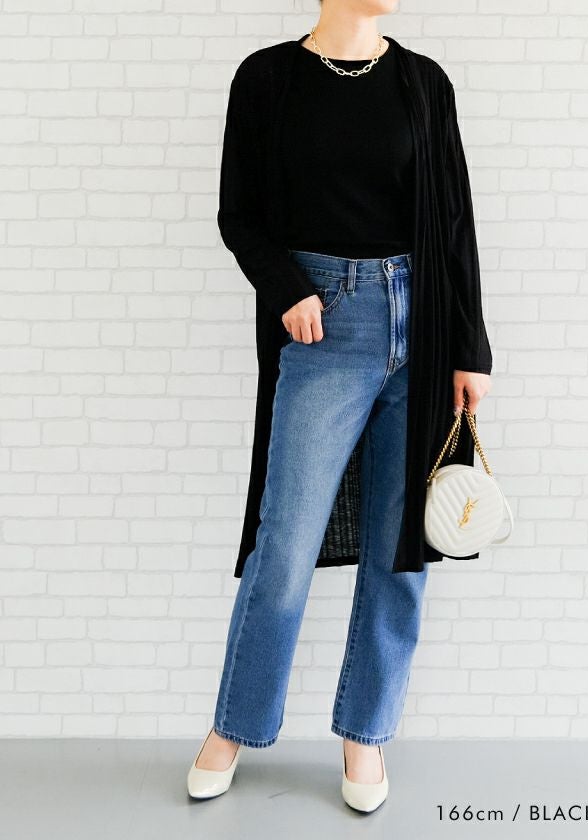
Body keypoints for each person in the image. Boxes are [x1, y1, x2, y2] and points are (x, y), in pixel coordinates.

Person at [187, 0, 492, 814]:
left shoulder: (424, 83)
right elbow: (238, 214)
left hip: (421, 326)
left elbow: (454, 222)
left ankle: (366, 732)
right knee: (284, 545)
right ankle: (233, 726)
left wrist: (470, 348)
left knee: (400, 551)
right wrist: (288, 290)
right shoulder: (268, 78)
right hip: (325, 323)